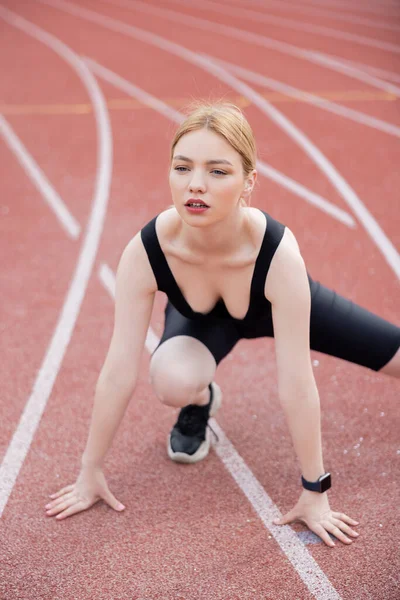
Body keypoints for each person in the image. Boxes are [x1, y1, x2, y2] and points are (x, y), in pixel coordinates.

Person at [45, 102, 400, 548]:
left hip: (275, 302)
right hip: (201, 324)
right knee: (170, 378)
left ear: (249, 181)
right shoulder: (146, 252)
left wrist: (315, 491)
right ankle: (201, 397)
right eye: (183, 167)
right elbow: (118, 370)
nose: (196, 184)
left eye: (218, 171)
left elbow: (296, 382)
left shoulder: (278, 255)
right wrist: (89, 469)